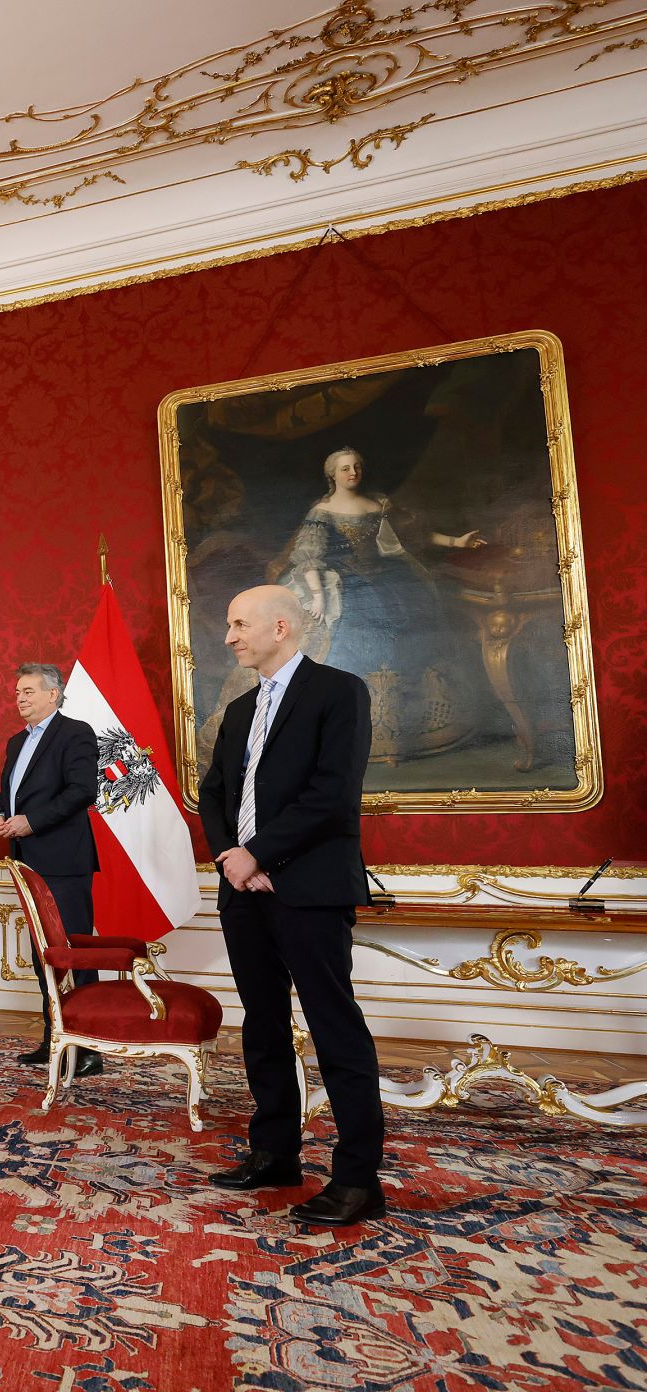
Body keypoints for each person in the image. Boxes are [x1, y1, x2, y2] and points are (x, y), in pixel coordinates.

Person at [199, 584, 386, 1227]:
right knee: (263, 1025)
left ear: (280, 626)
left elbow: (333, 795)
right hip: (242, 892)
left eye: (237, 623)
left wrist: (261, 855)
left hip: (308, 890)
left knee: (336, 1030)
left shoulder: (340, 693)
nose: (229, 636)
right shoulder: (239, 709)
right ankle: (274, 1152)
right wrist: (231, 856)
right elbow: (214, 795)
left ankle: (359, 1180)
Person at [278, 446, 484, 757]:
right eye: (346, 468)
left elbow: (414, 535)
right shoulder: (321, 512)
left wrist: (456, 541)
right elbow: (310, 558)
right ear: (332, 474)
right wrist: (318, 596)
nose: (353, 473)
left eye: (357, 466)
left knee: (413, 632)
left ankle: (413, 725)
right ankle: (354, 727)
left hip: (390, 578)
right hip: (345, 582)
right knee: (354, 635)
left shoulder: (379, 503)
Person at [0, 662, 102, 1074]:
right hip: (28, 861)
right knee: (45, 954)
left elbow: (82, 791)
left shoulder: (75, 732)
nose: (19, 698)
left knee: (74, 951)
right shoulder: (15, 743)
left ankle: (90, 1049)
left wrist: (31, 821)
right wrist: (0, 815)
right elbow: (7, 791)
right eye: (18, 691)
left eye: (28, 691)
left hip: (64, 861)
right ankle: (55, 1038)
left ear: (53, 694)